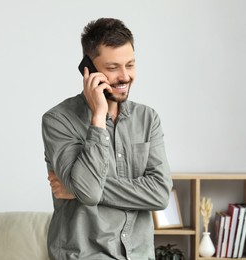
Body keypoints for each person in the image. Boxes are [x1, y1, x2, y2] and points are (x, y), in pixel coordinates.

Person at [41, 18, 173, 260]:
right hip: (84, 255)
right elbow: (88, 193)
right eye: (113, 68)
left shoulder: (148, 118)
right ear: (88, 69)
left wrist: (76, 188)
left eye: (130, 65)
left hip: (139, 254)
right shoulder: (58, 120)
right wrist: (98, 117)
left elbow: (160, 194)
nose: (125, 76)